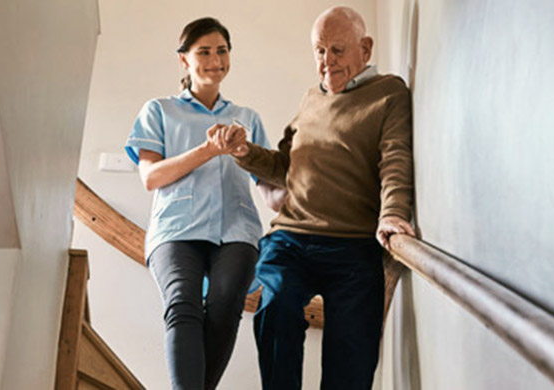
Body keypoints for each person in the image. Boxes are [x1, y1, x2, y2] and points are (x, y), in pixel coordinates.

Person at [223, 6, 416, 389]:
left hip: (354, 244)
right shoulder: (311, 99)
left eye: (338, 50)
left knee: (352, 354)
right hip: (291, 239)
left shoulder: (389, 93)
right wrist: (245, 153)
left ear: (366, 48)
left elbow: (395, 157)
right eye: (319, 51)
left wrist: (393, 213)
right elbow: (285, 167)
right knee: (275, 308)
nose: (327, 62)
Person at [123, 17, 281, 390]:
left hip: (237, 231)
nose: (215, 59)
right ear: (184, 60)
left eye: (222, 50)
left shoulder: (247, 119)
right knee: (182, 306)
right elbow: (151, 177)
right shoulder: (159, 110)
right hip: (176, 230)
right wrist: (209, 150)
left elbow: (269, 186)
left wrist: (246, 154)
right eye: (204, 51)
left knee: (226, 308)